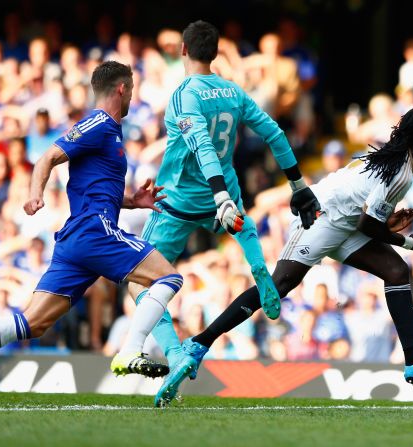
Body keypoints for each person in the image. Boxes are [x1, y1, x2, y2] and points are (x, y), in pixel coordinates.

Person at [155, 104, 413, 406]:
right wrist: (406, 241)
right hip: (320, 216)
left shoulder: (406, 163)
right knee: (278, 286)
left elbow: (367, 215)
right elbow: (368, 224)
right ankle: (197, 345)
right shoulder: (400, 168)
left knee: (395, 271)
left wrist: (388, 225)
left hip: (345, 221)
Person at [133, 20, 320, 403]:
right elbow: (275, 134)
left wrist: (217, 195)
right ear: (215, 53)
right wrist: (298, 185)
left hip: (181, 200)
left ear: (183, 50)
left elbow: (201, 144)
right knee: (243, 226)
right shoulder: (233, 90)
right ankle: (257, 265)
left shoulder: (184, 94)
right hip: (227, 195)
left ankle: (176, 352)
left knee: (139, 282)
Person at [0, 61, 182, 380]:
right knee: (168, 278)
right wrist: (36, 194)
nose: (133, 96)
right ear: (121, 88)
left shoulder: (109, 132)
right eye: (131, 89)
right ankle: (131, 349)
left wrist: (132, 201)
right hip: (94, 231)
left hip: (79, 239)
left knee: (32, 322)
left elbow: (94, 188)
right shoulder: (99, 123)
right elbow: (48, 156)